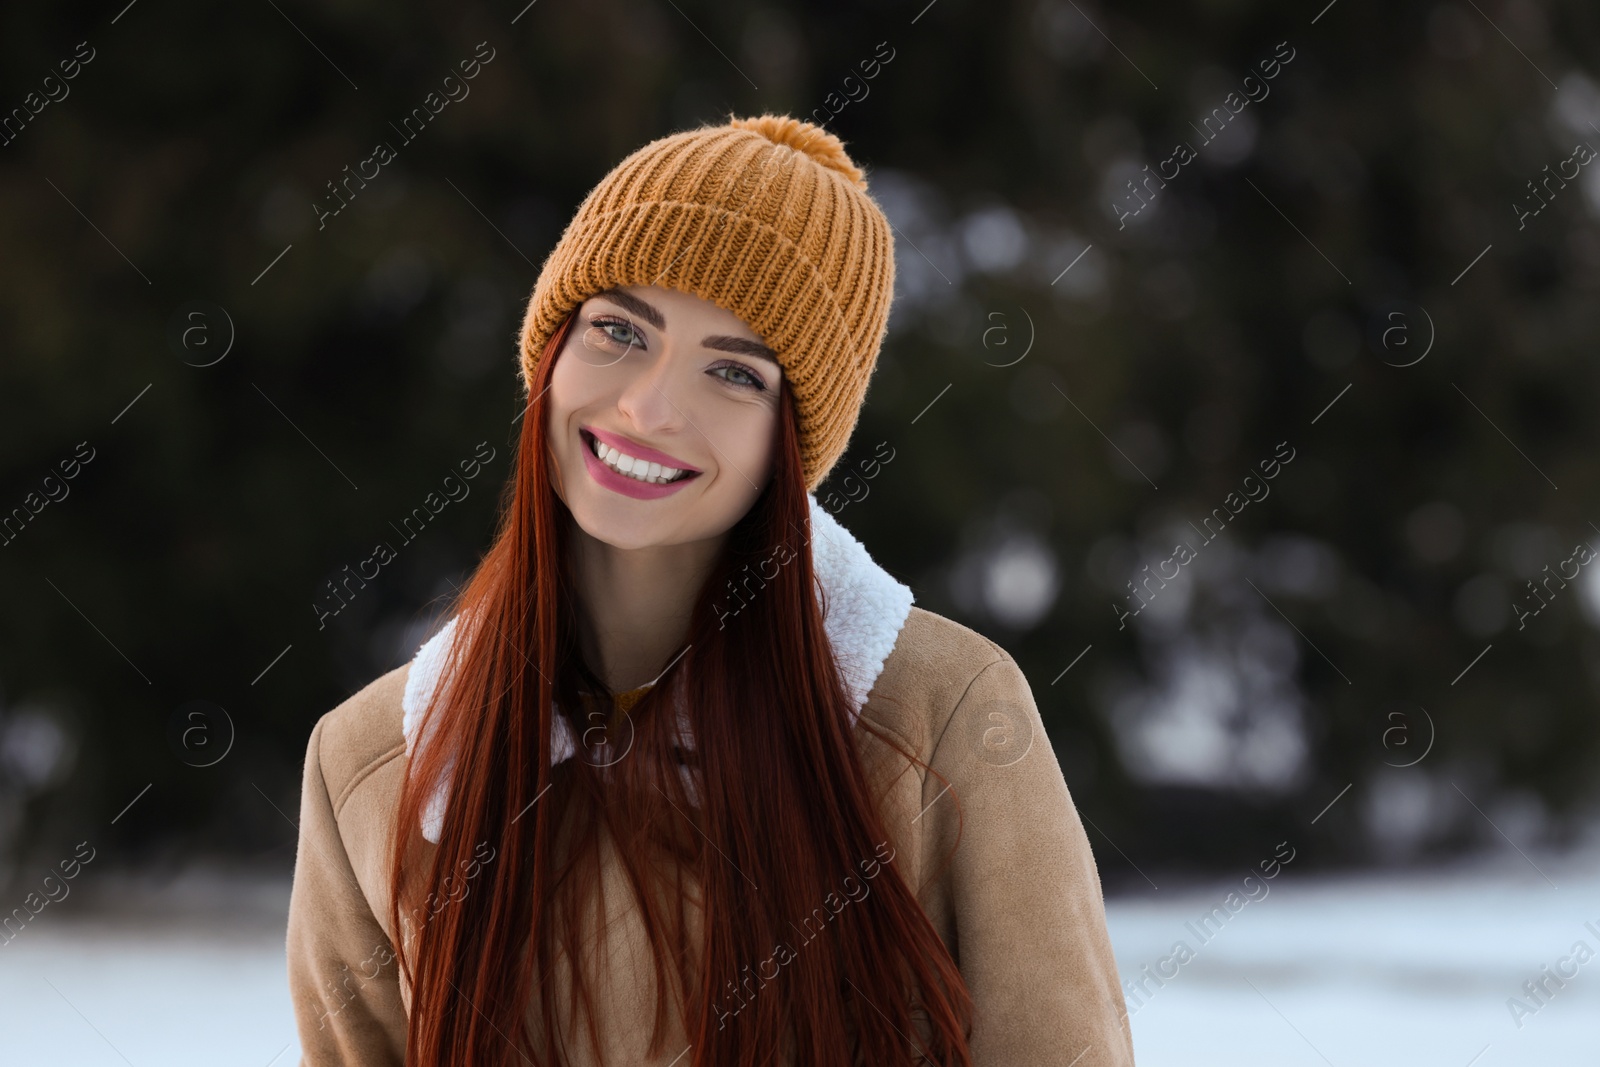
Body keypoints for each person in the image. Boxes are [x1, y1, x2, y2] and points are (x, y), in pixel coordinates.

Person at [285, 112, 1135, 1067]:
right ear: (550, 354)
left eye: (734, 371)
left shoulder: (945, 719)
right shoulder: (374, 763)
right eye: (617, 329)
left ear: (792, 440)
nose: (649, 406)